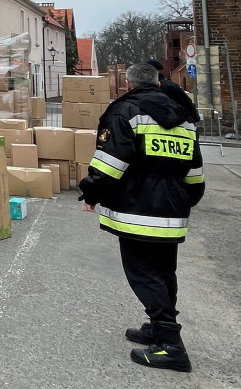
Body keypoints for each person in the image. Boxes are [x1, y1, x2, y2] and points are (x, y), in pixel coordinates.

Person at [79, 62, 204, 373]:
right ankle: (157, 328)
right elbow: (196, 176)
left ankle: (172, 346)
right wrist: (179, 201)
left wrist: (90, 192)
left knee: (145, 275)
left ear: (128, 82)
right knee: (164, 273)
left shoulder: (125, 113)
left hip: (137, 210)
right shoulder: (184, 119)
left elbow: (110, 163)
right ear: (158, 83)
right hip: (171, 212)